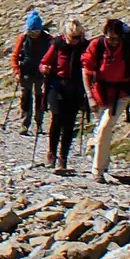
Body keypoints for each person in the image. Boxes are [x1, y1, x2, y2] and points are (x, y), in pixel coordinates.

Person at [82, 18, 130, 183]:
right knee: (102, 130)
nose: (114, 42)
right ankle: (103, 162)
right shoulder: (97, 46)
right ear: (105, 35)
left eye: (117, 39)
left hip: (120, 94)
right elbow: (86, 71)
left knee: (104, 128)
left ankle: (97, 171)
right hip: (99, 93)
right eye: (110, 38)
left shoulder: (129, 49)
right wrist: (90, 96)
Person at [40, 18, 90, 173]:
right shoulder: (57, 44)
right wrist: (44, 69)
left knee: (69, 123)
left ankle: (63, 158)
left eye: (77, 37)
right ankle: (51, 154)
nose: (74, 41)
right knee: (57, 118)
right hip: (57, 85)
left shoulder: (85, 46)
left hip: (75, 87)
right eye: (72, 38)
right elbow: (43, 63)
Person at [12, 10, 53, 135]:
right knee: (26, 97)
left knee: (40, 98)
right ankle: (25, 124)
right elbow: (15, 55)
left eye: (36, 32)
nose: (33, 34)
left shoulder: (48, 39)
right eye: (31, 32)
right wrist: (16, 71)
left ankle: (39, 124)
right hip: (25, 72)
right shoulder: (23, 38)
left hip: (41, 73)